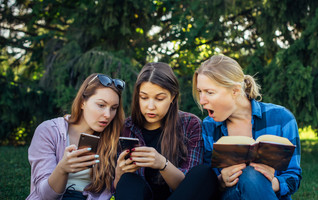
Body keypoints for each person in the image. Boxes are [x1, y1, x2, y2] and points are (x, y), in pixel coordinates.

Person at [192, 55, 302, 200]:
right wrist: (221, 181)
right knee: (249, 173)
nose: (202, 100)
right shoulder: (208, 126)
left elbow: (294, 176)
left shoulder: (282, 118)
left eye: (209, 92)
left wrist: (273, 182)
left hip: (271, 195)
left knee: (252, 173)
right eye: (200, 91)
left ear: (235, 91)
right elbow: (205, 180)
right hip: (230, 196)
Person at [114, 62, 218, 200]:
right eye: (144, 97)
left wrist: (163, 164)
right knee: (128, 180)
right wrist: (119, 173)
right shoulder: (127, 127)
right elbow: (118, 189)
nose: (150, 106)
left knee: (204, 173)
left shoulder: (190, 124)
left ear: (173, 97)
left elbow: (191, 185)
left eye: (159, 98)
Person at [27, 73, 126, 199]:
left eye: (114, 108)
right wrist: (62, 169)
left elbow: (111, 193)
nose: (108, 114)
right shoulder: (48, 131)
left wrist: (118, 176)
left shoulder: (113, 137)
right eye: (101, 105)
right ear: (82, 103)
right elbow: (46, 195)